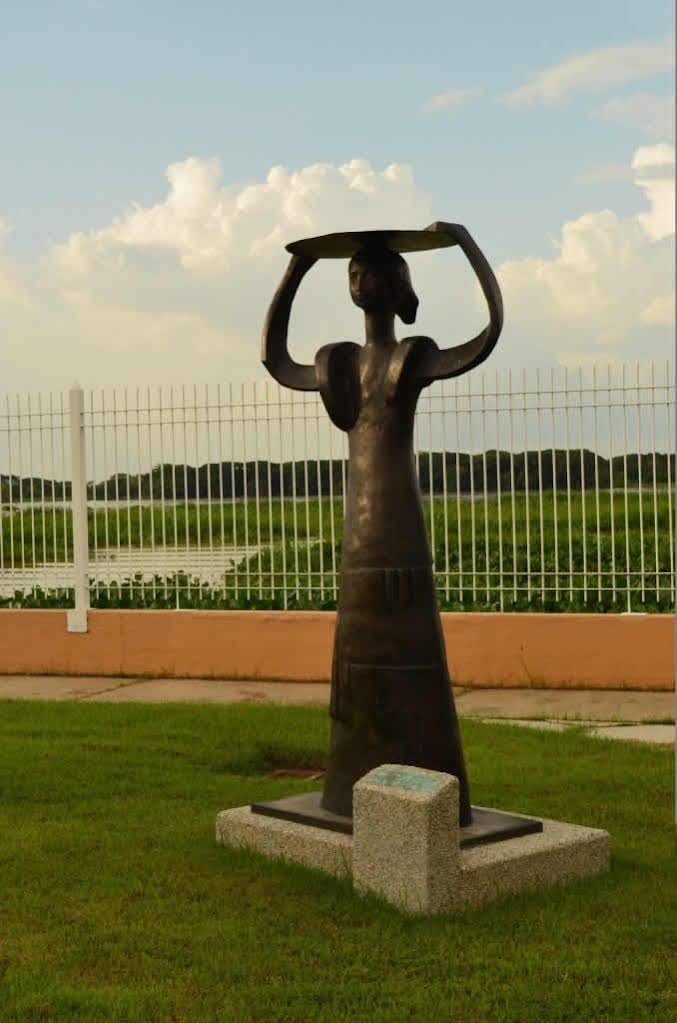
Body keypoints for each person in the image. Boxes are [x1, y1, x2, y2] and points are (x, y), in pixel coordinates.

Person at [261, 223, 503, 825]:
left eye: (373, 272)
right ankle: (351, 788)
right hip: (360, 539)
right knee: (358, 661)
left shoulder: (410, 357)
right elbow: (275, 358)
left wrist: (466, 245)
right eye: (353, 271)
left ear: (399, 288)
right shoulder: (339, 363)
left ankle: (429, 788)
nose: (361, 279)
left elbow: (487, 335)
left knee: (412, 651)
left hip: (399, 525)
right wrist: (297, 268)